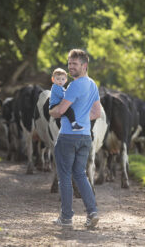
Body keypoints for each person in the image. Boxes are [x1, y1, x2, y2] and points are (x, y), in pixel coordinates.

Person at [49, 49, 101, 229]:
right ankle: (92, 212)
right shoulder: (93, 84)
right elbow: (97, 113)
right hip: (85, 137)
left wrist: (51, 111)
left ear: (84, 66)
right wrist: (82, 119)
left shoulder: (74, 86)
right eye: (69, 63)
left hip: (68, 137)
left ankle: (66, 218)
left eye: (75, 64)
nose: (70, 67)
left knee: (64, 177)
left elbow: (60, 110)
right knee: (80, 175)